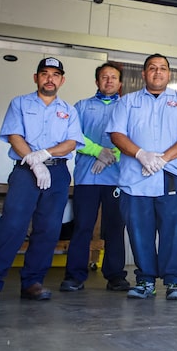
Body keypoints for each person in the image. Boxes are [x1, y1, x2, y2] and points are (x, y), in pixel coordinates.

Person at [0, 57, 84, 304]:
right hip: (26, 170)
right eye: (44, 73)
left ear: (62, 80)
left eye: (55, 75)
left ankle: (33, 282)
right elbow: (15, 136)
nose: (49, 78)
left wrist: (46, 154)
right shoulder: (20, 103)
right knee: (13, 224)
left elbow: (71, 142)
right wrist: (34, 161)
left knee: (48, 227)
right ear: (36, 77)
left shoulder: (69, 110)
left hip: (57, 172)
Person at [108, 53, 177, 301]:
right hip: (135, 178)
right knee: (140, 230)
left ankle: (174, 282)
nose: (157, 72)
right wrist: (140, 154)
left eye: (162, 68)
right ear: (144, 74)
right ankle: (145, 280)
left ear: (169, 74)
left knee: (174, 229)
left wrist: (164, 158)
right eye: (152, 68)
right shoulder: (127, 101)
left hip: (170, 176)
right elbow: (116, 134)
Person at [60, 62, 130, 293]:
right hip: (87, 178)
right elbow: (73, 136)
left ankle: (115, 275)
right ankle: (74, 276)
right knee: (82, 227)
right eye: (104, 77)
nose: (108, 81)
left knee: (115, 229)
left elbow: (133, 138)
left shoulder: (128, 107)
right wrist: (97, 151)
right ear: (97, 81)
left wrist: (110, 155)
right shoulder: (81, 106)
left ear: (120, 83)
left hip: (117, 179)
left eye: (113, 77)